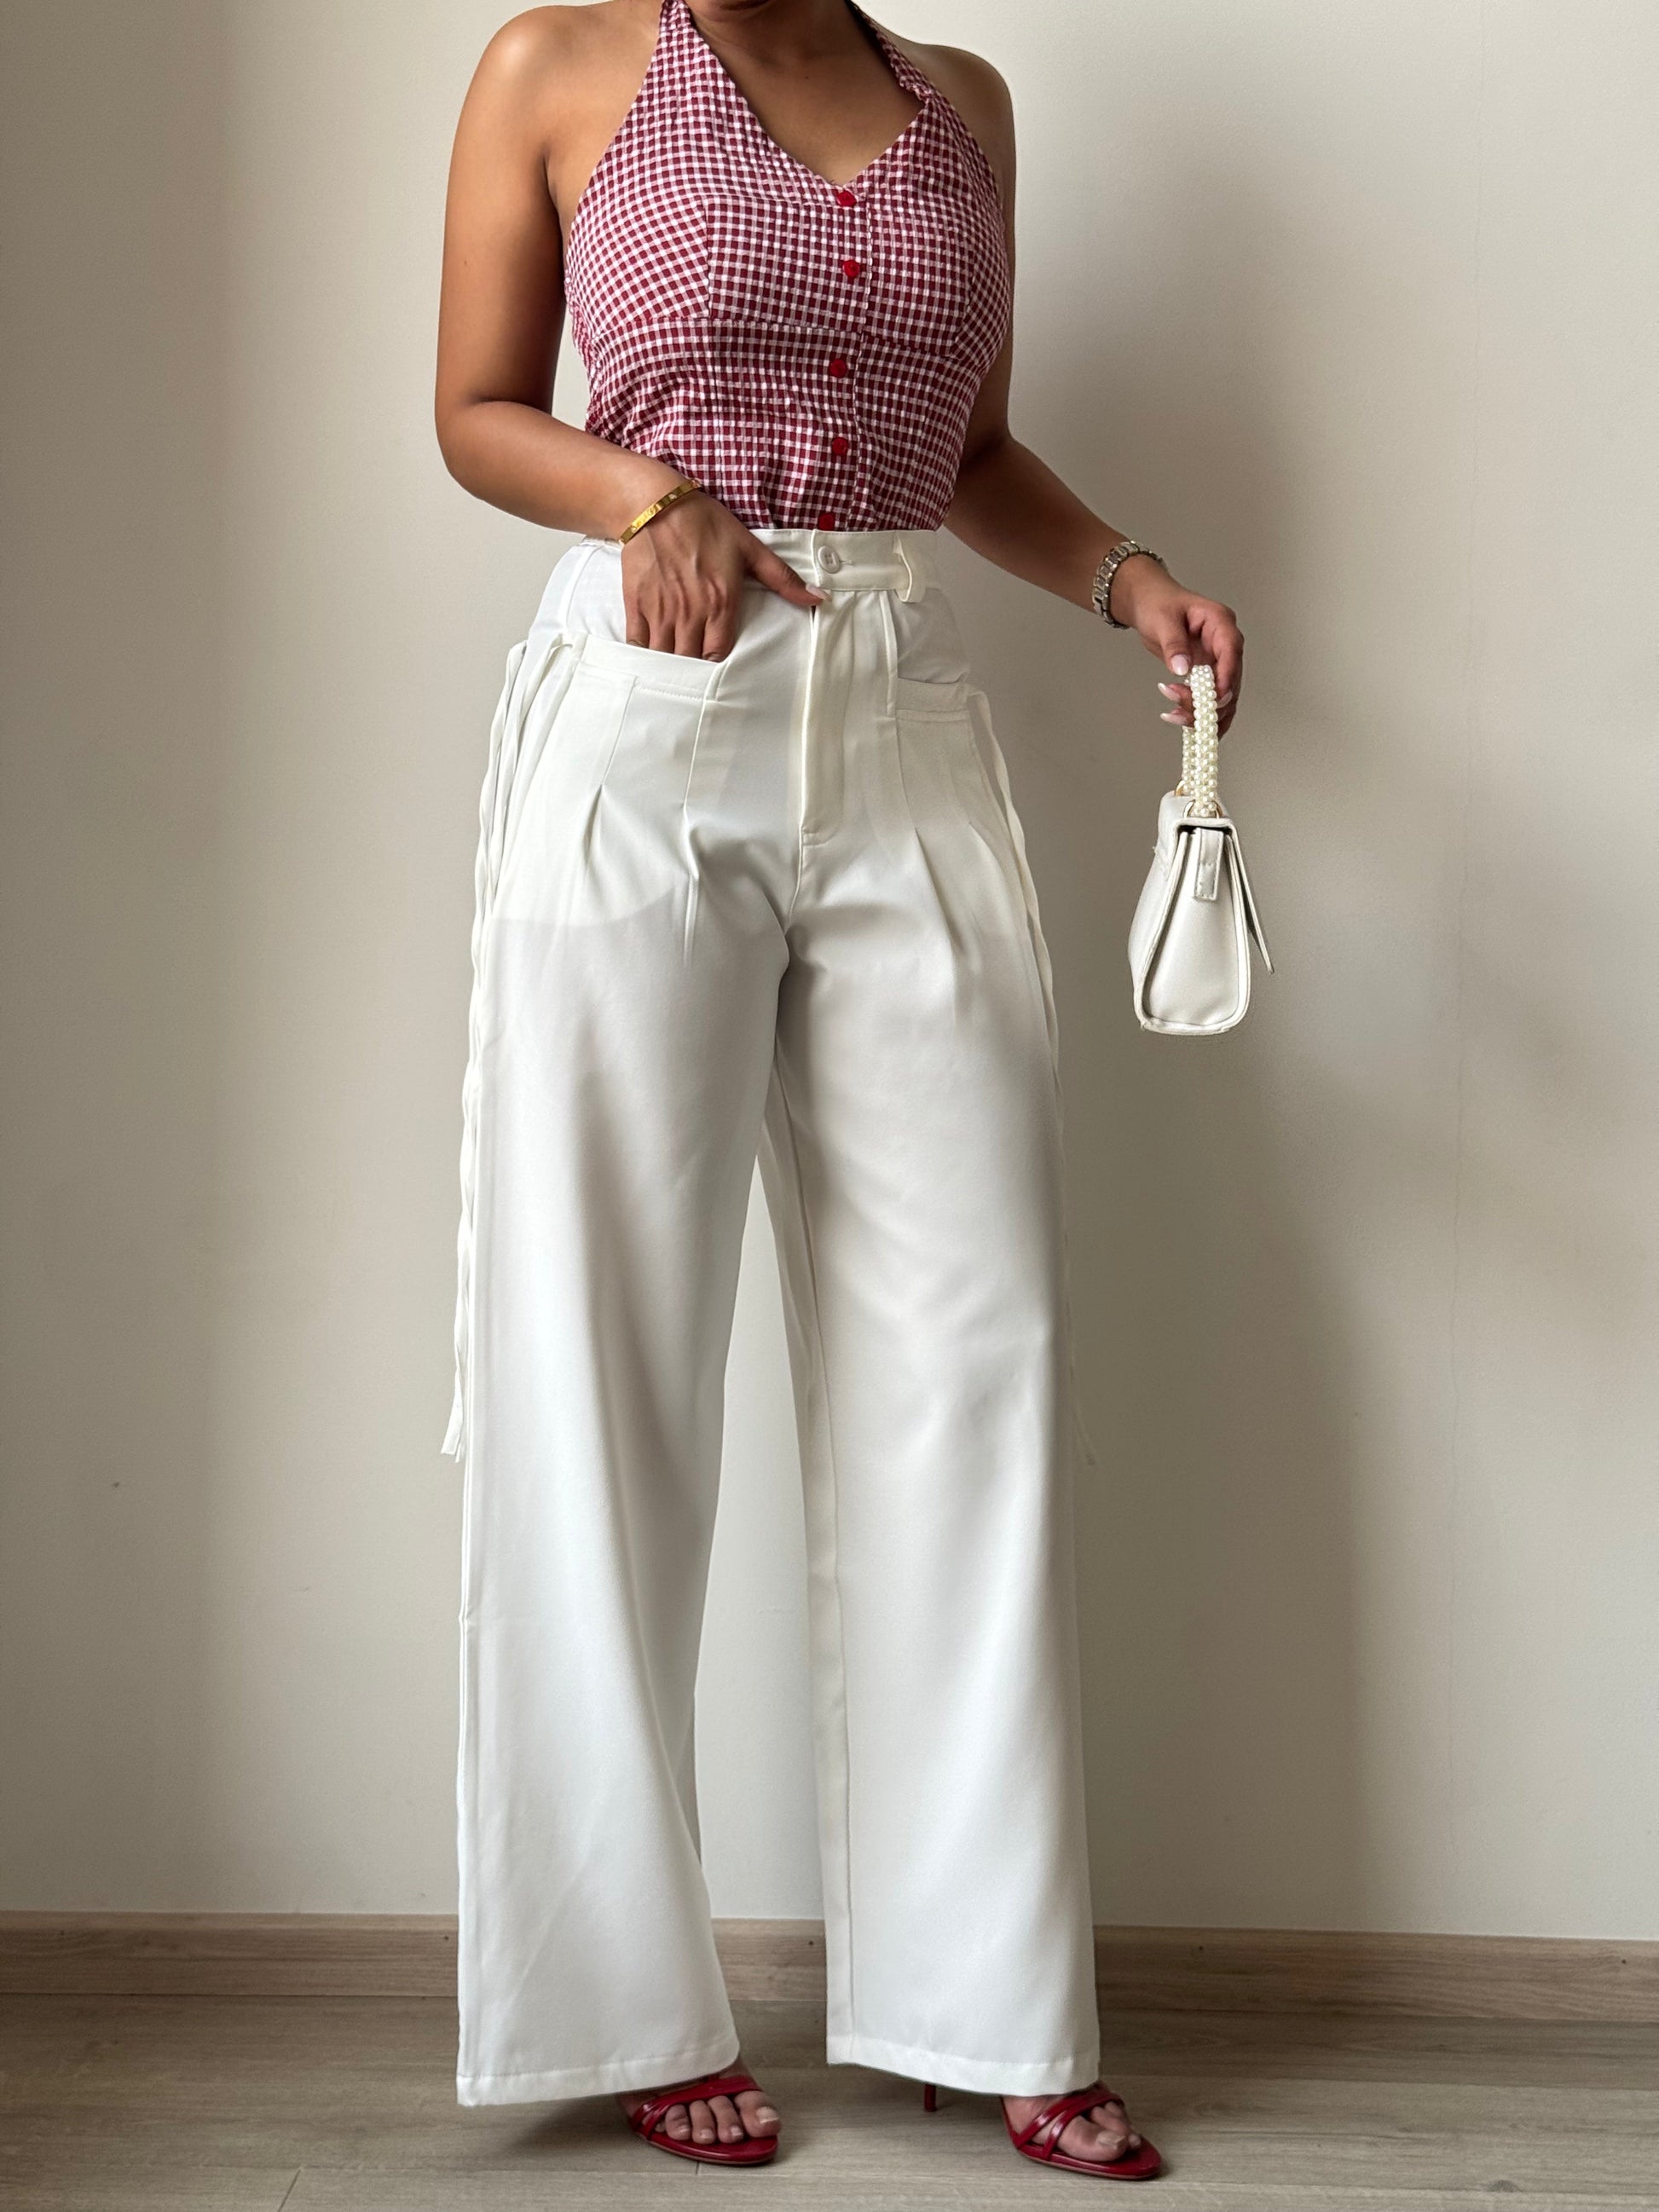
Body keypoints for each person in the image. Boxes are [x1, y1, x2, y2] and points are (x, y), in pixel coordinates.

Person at [433, 0, 1240, 2180]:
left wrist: (1126, 578)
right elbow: (477, 409)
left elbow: (964, 451)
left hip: (901, 717)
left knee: (975, 1351)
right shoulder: (557, 69)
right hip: (646, 713)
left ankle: (991, 1996)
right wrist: (649, 489)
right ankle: (617, 1997)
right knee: (603, 1359)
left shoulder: (962, 108)